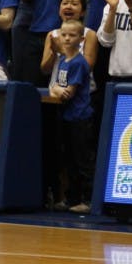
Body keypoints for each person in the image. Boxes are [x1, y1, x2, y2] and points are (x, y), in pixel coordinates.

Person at [47, 19, 95, 214]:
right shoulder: (62, 60)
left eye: (72, 35)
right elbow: (55, 88)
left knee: (83, 160)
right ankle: (71, 198)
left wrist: (57, 89)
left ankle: (88, 199)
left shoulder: (79, 62)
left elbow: (68, 93)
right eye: (64, 34)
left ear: (81, 39)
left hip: (80, 117)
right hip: (66, 117)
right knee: (69, 161)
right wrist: (57, 89)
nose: (66, 38)